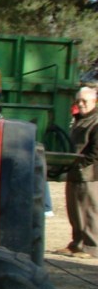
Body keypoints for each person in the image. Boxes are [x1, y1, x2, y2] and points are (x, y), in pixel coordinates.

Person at [55, 86, 98, 259]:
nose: (80, 104)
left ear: (94, 101)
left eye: (84, 101)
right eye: (78, 101)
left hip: (90, 175)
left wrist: (82, 165)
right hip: (75, 173)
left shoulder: (95, 121)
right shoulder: (79, 119)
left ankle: (91, 247)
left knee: (89, 211)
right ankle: (76, 244)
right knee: (75, 211)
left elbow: (96, 151)